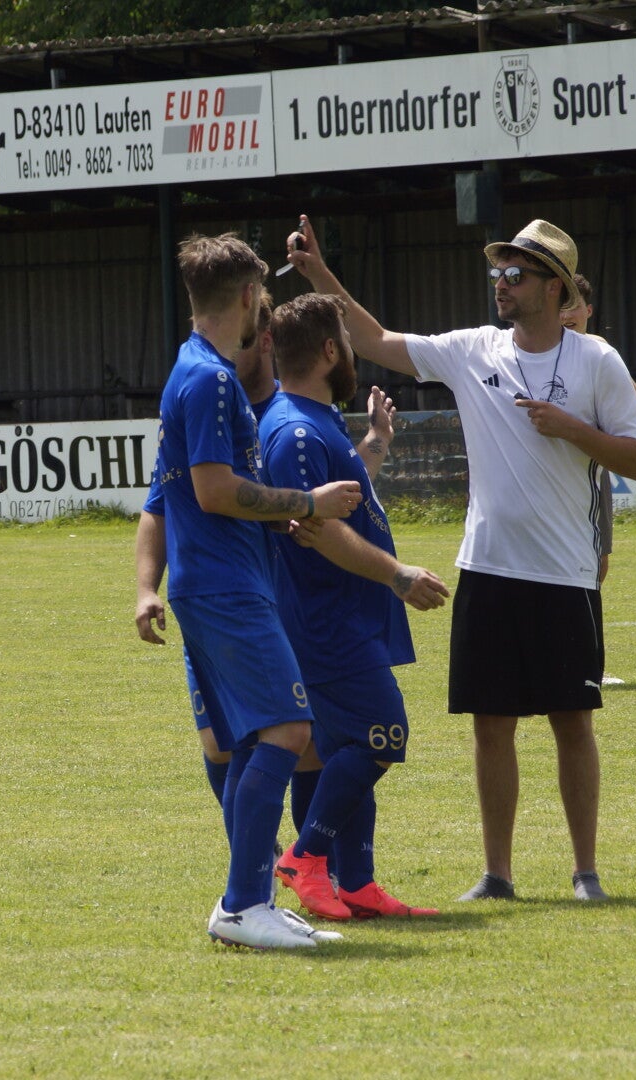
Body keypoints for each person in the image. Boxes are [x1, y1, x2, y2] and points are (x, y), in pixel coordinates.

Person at [286, 216, 636, 903]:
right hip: (486, 571)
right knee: (490, 726)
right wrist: (319, 273)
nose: (501, 284)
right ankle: (497, 875)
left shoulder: (596, 361)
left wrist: (571, 428)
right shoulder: (472, 349)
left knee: (572, 723)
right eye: (497, 273)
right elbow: (373, 340)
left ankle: (585, 872)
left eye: (516, 274)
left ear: (555, 287)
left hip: (565, 574)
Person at [149, 232, 361, 949]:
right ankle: (244, 905)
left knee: (249, 740)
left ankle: (249, 900)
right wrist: (306, 503)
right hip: (225, 585)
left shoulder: (189, 369)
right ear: (247, 296)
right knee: (289, 730)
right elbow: (213, 491)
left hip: (214, 582)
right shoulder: (211, 379)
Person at [257, 292, 450, 920]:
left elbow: (341, 497)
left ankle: (354, 882)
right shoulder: (296, 431)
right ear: (329, 350)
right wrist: (397, 575)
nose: (353, 353)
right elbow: (317, 528)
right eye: (346, 340)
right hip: (326, 620)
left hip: (335, 616)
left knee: (328, 750)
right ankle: (306, 858)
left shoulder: (309, 422)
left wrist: (376, 442)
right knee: (381, 735)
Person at [135, 294, 325, 829]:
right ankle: (258, 861)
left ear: (264, 340)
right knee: (224, 744)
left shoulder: (288, 416)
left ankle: (304, 861)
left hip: (285, 597)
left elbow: (336, 498)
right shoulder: (203, 396)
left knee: (303, 738)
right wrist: (145, 588)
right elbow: (158, 505)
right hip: (225, 596)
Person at [558, 272, 636, 685]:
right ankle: (569, 662)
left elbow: (632, 392)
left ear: (588, 311)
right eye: (562, 305)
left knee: (597, 561)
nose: (567, 314)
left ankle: (586, 662)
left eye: (574, 305)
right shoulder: (538, 348)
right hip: (550, 476)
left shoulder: (599, 351)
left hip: (593, 474)